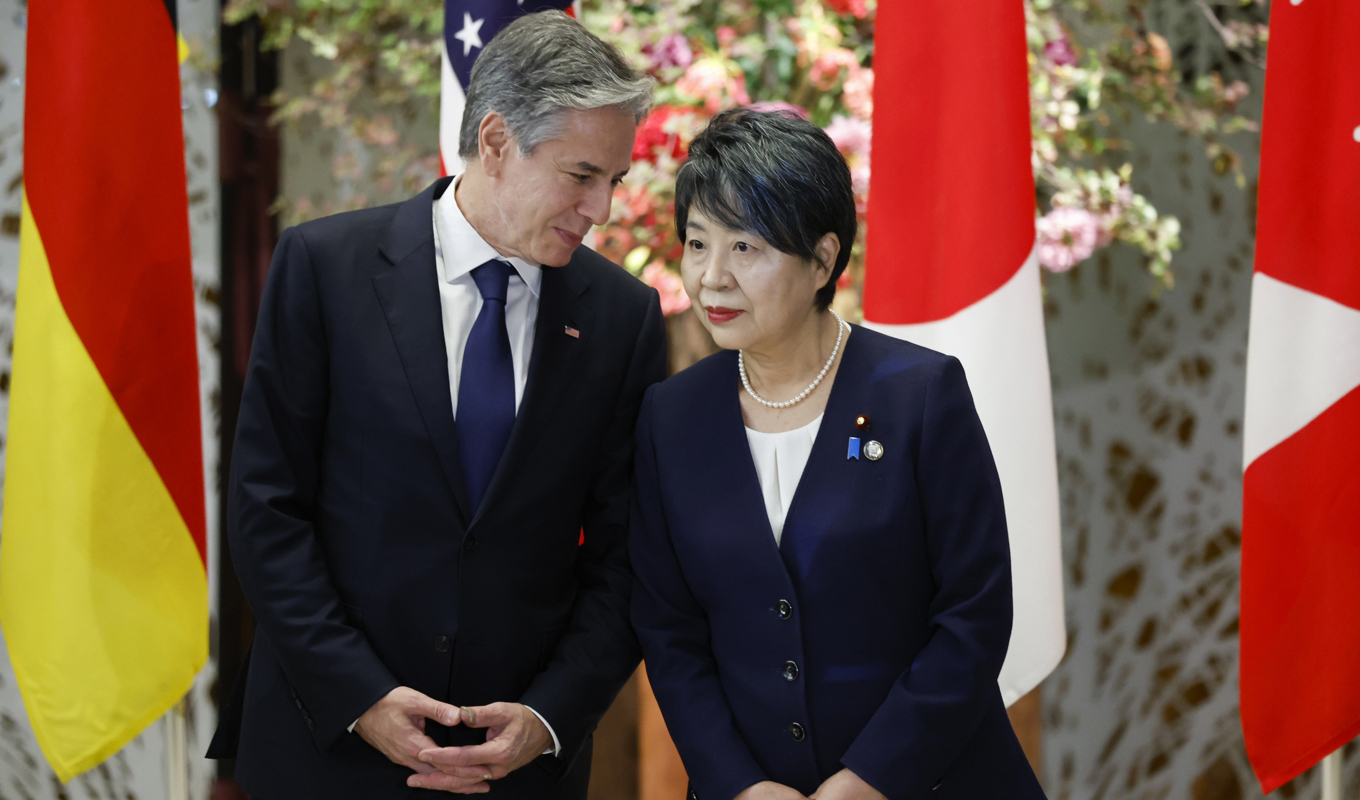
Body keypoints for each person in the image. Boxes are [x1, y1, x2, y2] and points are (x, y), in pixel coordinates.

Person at [207, 12, 666, 798]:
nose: (604, 210)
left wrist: (549, 716)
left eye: (615, 182)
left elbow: (630, 555)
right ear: (495, 142)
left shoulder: (624, 317)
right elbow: (265, 508)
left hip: (519, 770)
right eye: (582, 175)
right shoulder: (324, 269)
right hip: (327, 750)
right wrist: (360, 695)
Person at [628, 109, 1048, 800]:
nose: (711, 278)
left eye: (745, 248)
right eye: (698, 243)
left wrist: (871, 779)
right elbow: (669, 631)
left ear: (823, 259)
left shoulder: (920, 393)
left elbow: (973, 612)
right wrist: (739, 784)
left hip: (933, 782)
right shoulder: (669, 417)